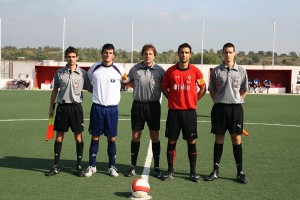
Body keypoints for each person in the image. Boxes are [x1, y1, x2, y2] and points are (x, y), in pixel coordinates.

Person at [161, 43, 206, 182]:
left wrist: (194, 100)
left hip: (189, 112)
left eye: (186, 52)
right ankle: (170, 171)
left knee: (191, 141)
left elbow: (203, 87)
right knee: (171, 140)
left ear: (190, 54)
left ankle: (193, 172)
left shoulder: (196, 71)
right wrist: (173, 99)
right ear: (178, 54)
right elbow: (164, 88)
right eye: (182, 52)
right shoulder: (170, 71)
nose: (184, 55)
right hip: (174, 112)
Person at [84, 43, 130, 178]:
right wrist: (95, 91)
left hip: (112, 109)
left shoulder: (119, 69)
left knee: (111, 137)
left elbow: (126, 81)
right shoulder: (94, 68)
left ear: (113, 55)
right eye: (105, 52)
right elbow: (88, 83)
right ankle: (92, 165)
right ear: (102, 54)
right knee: (95, 136)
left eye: (110, 53)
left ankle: (112, 166)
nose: (107, 55)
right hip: (97, 107)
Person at [205, 42, 248, 184]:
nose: (228, 55)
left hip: (236, 109)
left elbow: (244, 89)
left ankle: (240, 172)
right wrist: (218, 100)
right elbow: (211, 89)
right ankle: (215, 171)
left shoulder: (241, 71)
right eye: (226, 52)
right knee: (219, 139)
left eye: (230, 52)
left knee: (236, 140)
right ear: (222, 53)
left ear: (234, 53)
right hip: (219, 109)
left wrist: (237, 100)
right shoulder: (216, 71)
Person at [46, 46, 91, 177]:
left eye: (73, 56)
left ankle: (79, 166)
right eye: (69, 56)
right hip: (62, 108)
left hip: (76, 108)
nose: (71, 59)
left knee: (78, 137)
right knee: (59, 135)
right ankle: (56, 166)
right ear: (66, 58)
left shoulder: (83, 73)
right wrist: (51, 107)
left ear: (77, 58)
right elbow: (55, 90)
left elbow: (90, 88)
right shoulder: (59, 72)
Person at [124, 44, 165, 178]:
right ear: (142, 55)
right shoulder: (135, 69)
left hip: (153, 106)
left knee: (155, 136)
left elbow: (166, 86)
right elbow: (127, 82)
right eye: (145, 53)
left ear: (154, 56)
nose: (148, 56)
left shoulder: (160, 71)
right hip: (138, 105)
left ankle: (157, 167)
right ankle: (133, 166)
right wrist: (124, 83)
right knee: (136, 136)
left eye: (150, 54)